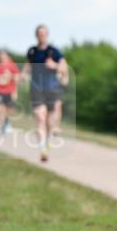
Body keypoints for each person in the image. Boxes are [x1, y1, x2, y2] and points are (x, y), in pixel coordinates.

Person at [23, 24, 68, 163]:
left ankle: (48, 142)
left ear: (47, 34)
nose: (41, 35)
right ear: (36, 35)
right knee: (40, 117)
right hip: (36, 88)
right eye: (39, 33)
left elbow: (64, 67)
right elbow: (27, 67)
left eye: (44, 33)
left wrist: (54, 65)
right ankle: (42, 148)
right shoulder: (32, 51)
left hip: (52, 88)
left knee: (49, 120)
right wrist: (23, 75)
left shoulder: (53, 51)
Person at [0, 50, 20, 133]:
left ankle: (6, 121)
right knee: (1, 109)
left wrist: (15, 91)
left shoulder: (12, 65)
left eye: (3, 56)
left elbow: (17, 79)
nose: (2, 57)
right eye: (0, 56)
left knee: (10, 110)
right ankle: (2, 128)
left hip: (10, 91)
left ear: (7, 56)